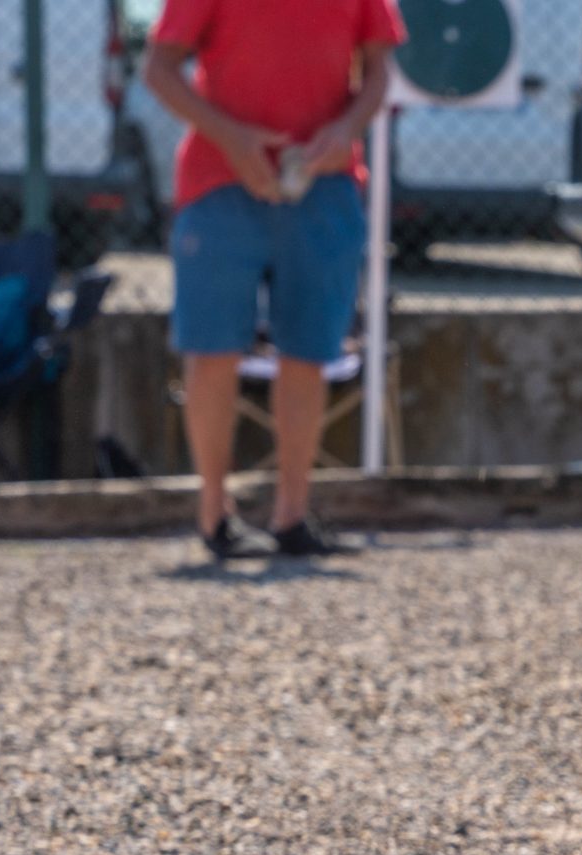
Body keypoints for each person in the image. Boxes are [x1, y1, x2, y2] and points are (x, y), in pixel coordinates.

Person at [144, 0, 405, 560]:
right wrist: (232, 139)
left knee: (308, 350)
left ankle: (291, 516)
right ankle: (215, 515)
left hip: (324, 184)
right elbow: (159, 69)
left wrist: (346, 130)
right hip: (218, 182)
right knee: (212, 349)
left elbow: (379, 69)